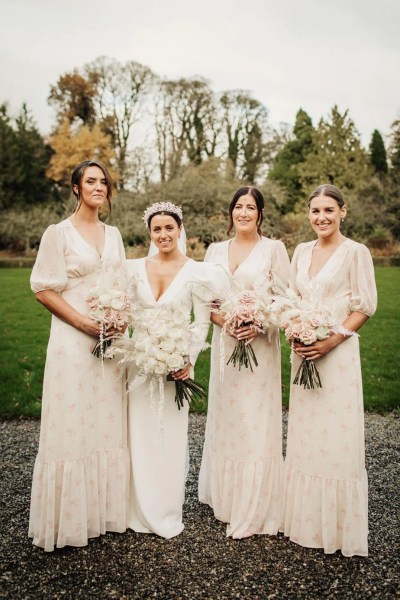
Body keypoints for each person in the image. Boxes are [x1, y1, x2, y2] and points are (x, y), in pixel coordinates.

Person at [29, 160, 129, 551]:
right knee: (72, 420)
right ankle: (68, 519)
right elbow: (43, 288)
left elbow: (121, 283)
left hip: (110, 345)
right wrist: (85, 324)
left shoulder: (115, 234)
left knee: (103, 419)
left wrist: (119, 317)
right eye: (90, 181)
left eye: (103, 181)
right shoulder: (58, 234)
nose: (98, 187)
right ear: (75, 188)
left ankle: (101, 512)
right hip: (73, 341)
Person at [281, 184, 377, 557]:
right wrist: (294, 327)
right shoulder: (301, 251)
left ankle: (337, 527)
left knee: (337, 435)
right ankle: (305, 521)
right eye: (315, 211)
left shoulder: (356, 252)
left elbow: (365, 306)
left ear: (343, 212)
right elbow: (291, 297)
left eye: (328, 210)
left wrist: (329, 341)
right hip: (303, 352)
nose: (321, 217)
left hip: (336, 353)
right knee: (306, 434)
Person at [198, 187, 290, 538]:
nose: (244, 212)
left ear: (260, 213)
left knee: (254, 418)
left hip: (260, 346)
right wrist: (229, 324)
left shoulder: (274, 249)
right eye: (238, 206)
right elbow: (207, 301)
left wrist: (258, 323)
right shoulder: (215, 251)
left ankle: (255, 501)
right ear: (231, 212)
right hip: (227, 345)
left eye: (251, 207)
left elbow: (284, 298)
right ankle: (226, 495)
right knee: (228, 415)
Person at [126, 201, 211, 539]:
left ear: (180, 230)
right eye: (157, 229)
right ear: (150, 233)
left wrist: (187, 359)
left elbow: (202, 319)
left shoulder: (196, 270)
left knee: (170, 436)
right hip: (140, 366)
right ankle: (137, 510)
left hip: (177, 366)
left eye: (169, 228)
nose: (163, 234)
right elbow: (126, 313)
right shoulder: (134, 268)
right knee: (140, 435)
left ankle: (165, 511)